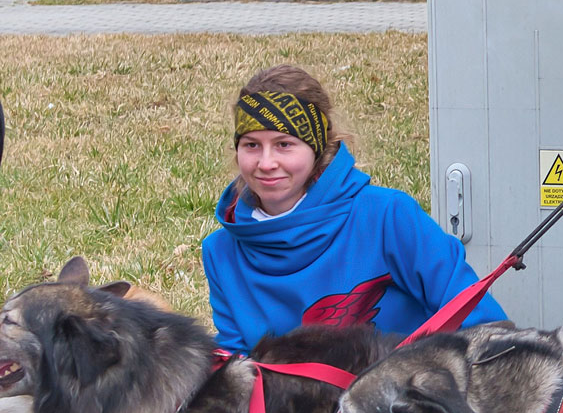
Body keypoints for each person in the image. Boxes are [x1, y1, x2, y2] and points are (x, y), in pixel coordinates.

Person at [203, 65, 506, 354]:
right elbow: (236, 366)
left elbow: (480, 324)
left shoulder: (387, 217)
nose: (266, 163)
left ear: (317, 148)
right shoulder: (221, 252)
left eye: (284, 144)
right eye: (252, 145)